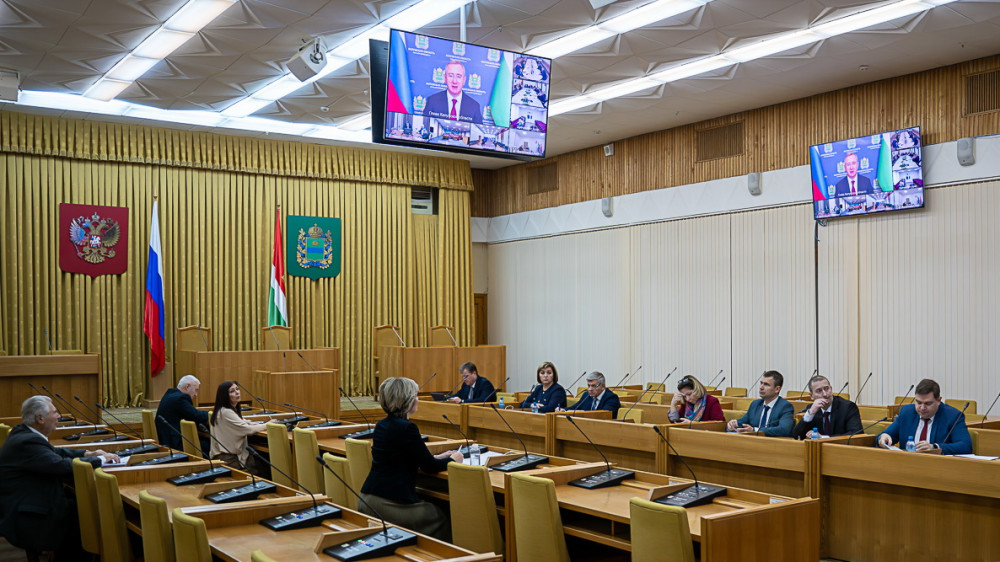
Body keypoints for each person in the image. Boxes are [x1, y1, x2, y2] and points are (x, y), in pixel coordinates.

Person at [0, 396, 120, 556]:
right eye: (54, 412)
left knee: (84, 506)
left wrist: (88, 453)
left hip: (27, 501)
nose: (59, 416)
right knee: (90, 515)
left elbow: (55, 452)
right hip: (29, 515)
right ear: (40, 418)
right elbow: (61, 466)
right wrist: (101, 460)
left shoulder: (23, 433)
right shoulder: (27, 441)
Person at [359, 377, 463, 540]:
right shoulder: (407, 427)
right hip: (388, 503)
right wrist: (453, 460)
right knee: (438, 515)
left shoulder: (382, 424)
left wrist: (435, 457)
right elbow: (430, 467)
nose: (417, 399)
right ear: (406, 400)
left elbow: (400, 455)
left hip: (367, 498)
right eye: (415, 395)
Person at [877, 378, 972, 454]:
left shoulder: (953, 416)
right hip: (907, 464)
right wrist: (883, 437)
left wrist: (934, 447)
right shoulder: (907, 412)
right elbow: (885, 436)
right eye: (918, 402)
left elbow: (965, 446)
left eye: (928, 403)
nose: (922, 408)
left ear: (938, 400)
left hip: (937, 466)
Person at [209, 381, 271, 476]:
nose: (237, 392)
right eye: (232, 391)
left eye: (237, 389)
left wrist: (252, 422)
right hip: (229, 459)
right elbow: (248, 430)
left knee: (261, 462)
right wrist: (268, 424)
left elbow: (240, 422)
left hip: (228, 456)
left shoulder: (223, 410)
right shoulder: (226, 412)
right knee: (265, 466)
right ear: (224, 396)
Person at [793, 374, 862, 439]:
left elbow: (856, 434)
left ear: (831, 389)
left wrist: (823, 437)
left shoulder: (848, 407)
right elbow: (797, 436)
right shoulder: (812, 408)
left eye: (826, 389)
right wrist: (810, 413)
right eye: (819, 391)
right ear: (811, 396)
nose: (825, 394)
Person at [727, 370, 794, 436]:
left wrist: (755, 430)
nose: (761, 387)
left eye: (766, 384)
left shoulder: (785, 407)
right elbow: (742, 423)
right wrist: (733, 425)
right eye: (761, 383)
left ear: (777, 389)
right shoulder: (755, 404)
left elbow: (784, 430)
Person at [155, 374, 210, 453]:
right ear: (187, 386)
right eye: (196, 390)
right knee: (210, 445)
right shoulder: (180, 398)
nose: (196, 394)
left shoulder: (170, 394)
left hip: (165, 440)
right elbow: (196, 415)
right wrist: (213, 414)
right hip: (174, 444)